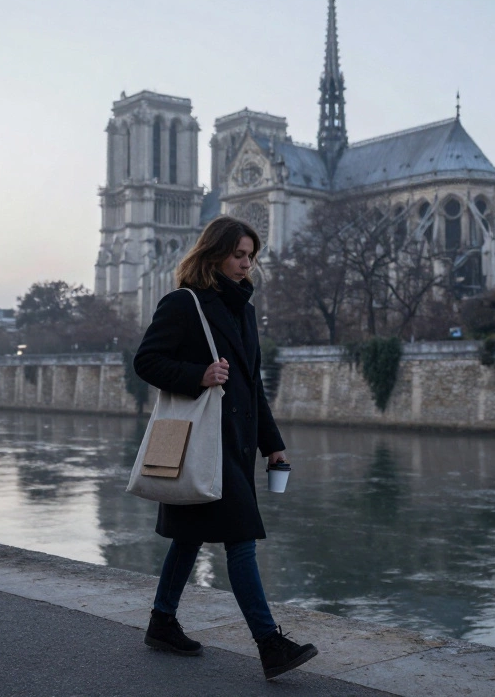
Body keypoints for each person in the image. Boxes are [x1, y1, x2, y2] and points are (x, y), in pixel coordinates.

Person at [133, 216, 318, 680]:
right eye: (239, 254)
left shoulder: (244, 309)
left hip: (233, 444)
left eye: (251, 256)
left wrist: (272, 446)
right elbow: (147, 361)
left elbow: (252, 384)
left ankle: (161, 621)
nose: (246, 264)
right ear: (214, 252)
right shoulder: (184, 302)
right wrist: (198, 374)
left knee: (189, 535)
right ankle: (270, 644)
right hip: (202, 442)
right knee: (241, 539)